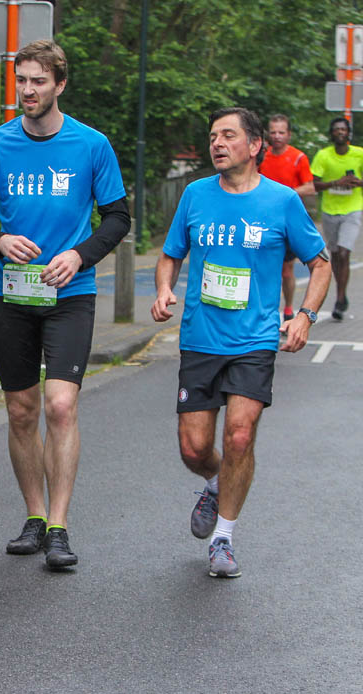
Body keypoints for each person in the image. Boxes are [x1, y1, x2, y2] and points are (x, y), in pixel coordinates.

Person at [0, 40, 130, 569]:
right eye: (22, 80)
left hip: (69, 294)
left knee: (59, 405)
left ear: (60, 84)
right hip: (10, 294)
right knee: (20, 409)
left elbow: (117, 218)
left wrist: (79, 255)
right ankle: (34, 516)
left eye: (38, 81)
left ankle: (59, 525)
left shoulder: (91, 145)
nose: (28, 90)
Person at [151, 107, 330, 578]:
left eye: (228, 135)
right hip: (200, 338)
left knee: (240, 435)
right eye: (213, 136)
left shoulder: (281, 201)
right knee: (194, 447)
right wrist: (164, 289)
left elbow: (320, 263)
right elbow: (170, 255)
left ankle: (224, 539)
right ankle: (214, 481)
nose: (217, 143)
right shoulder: (195, 195)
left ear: (254, 146)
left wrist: (305, 316)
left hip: (254, 340)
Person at [259, 114, 315, 321]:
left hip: (288, 219)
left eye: (281, 132)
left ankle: (289, 308)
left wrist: (285, 194)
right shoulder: (261, 156)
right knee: (261, 266)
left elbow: (309, 187)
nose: (277, 136)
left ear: (289, 135)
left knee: (286, 269)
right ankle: (263, 308)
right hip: (263, 217)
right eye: (273, 132)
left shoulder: (298, 157)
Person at [311, 117, 363, 321]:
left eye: (343, 129)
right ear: (331, 133)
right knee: (334, 254)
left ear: (348, 133)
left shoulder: (359, 154)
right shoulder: (323, 156)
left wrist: (358, 182)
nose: (340, 132)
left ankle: (341, 298)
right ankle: (340, 292)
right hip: (330, 211)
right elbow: (314, 184)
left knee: (344, 252)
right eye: (336, 129)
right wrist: (336, 183)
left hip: (352, 209)